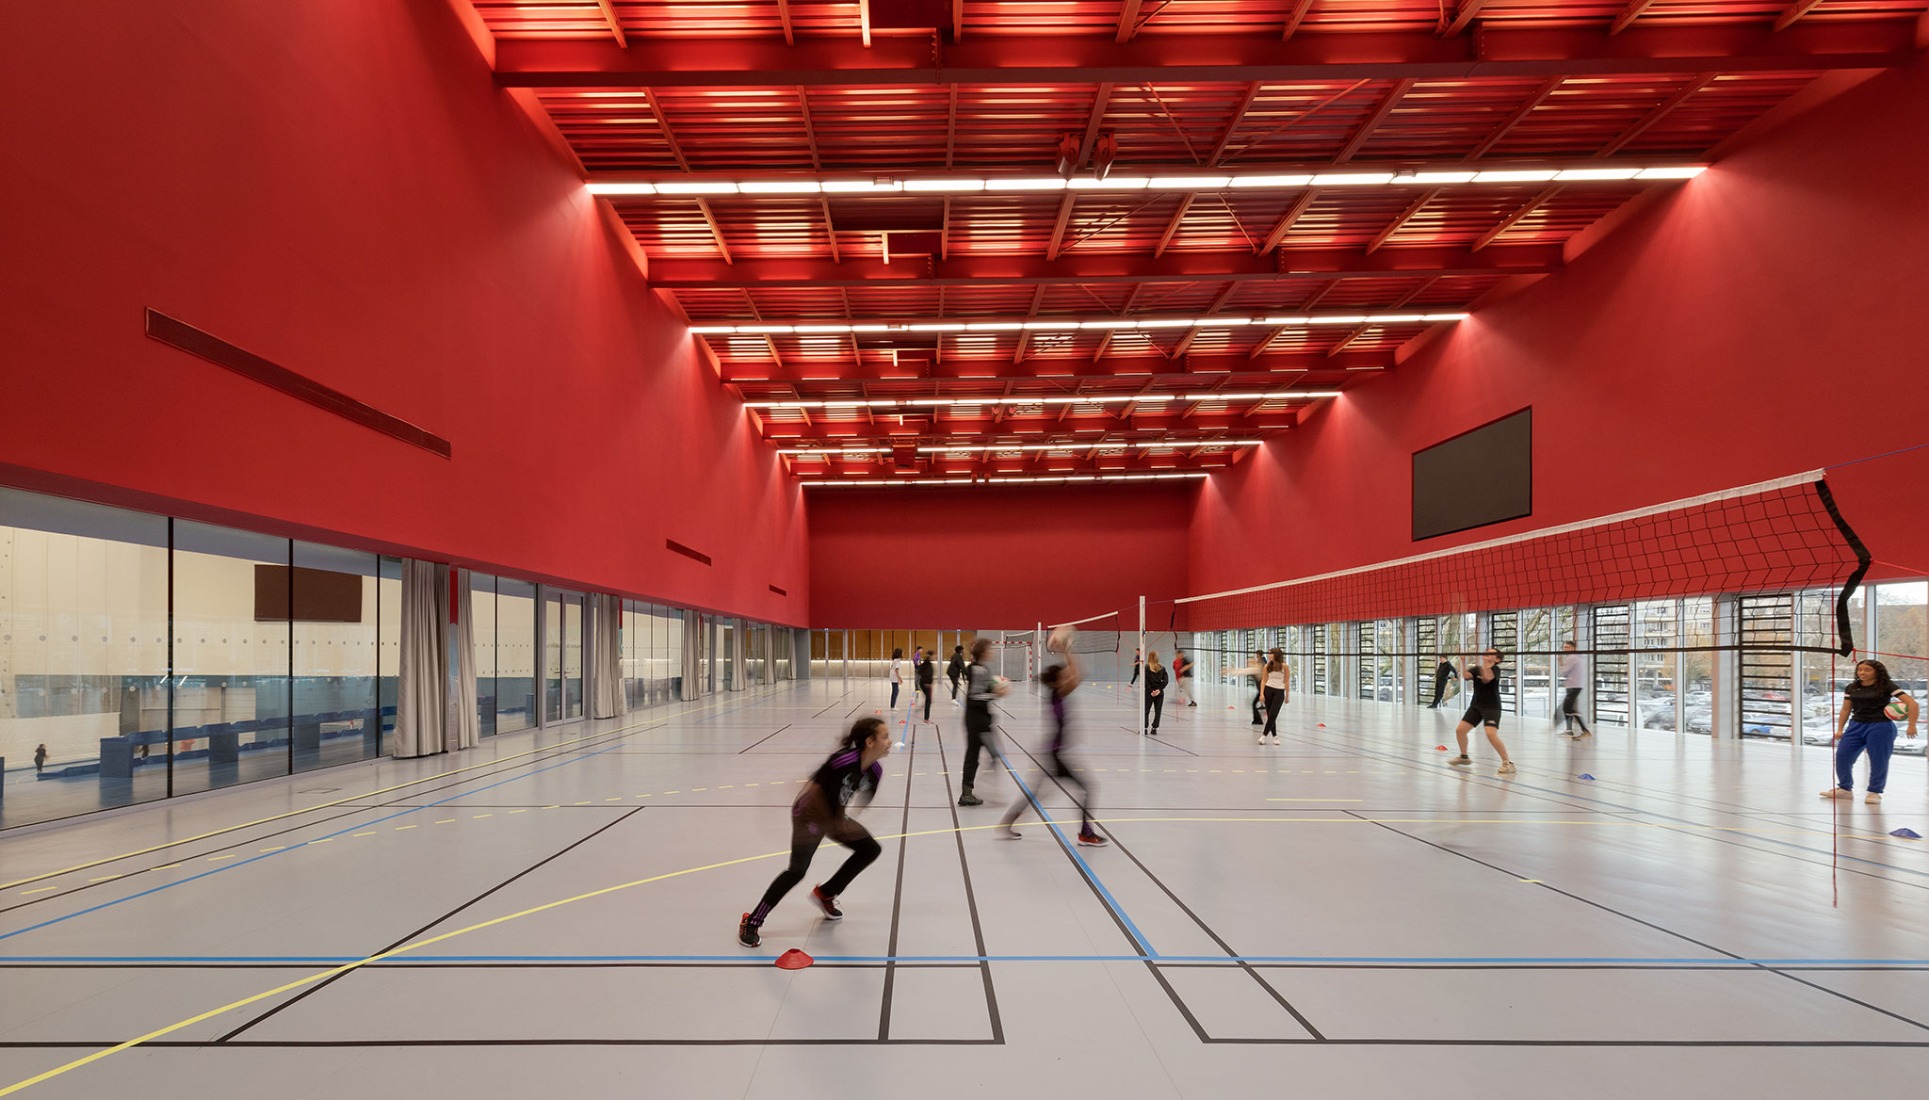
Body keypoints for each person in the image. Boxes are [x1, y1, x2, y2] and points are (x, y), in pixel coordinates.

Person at [739, 717, 891, 948]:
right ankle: (751, 922)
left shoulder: (876, 772)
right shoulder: (843, 760)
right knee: (797, 871)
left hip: (834, 816)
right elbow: (813, 787)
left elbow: (858, 799)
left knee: (870, 849)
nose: (889, 742)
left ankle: (826, 893)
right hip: (809, 814)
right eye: (884, 737)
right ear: (870, 741)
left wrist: (846, 822)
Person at [999, 637, 1106, 846]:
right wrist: (1067, 650)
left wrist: (1066, 653)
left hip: (1051, 752)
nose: (1068, 676)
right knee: (1087, 788)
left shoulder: (1057, 692)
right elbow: (1078, 674)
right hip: (1055, 754)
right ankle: (1085, 833)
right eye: (1064, 676)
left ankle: (1007, 824)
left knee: (1038, 793)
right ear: (1059, 681)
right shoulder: (1059, 692)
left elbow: (1074, 675)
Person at [1822, 659, 1918, 805]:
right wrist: (1840, 729)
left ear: (1877, 672)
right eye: (1860, 669)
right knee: (1842, 756)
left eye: (1867, 670)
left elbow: (1912, 703)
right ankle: (1845, 789)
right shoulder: (1852, 687)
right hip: (1856, 725)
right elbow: (1846, 709)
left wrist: (1912, 725)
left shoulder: (1886, 686)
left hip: (1880, 727)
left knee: (1878, 760)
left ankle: (1875, 792)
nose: (1862, 672)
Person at [1449, 647, 1515, 776]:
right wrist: (1463, 661)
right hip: (1476, 706)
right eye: (1486, 653)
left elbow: (1486, 679)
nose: (1486, 654)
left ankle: (1508, 763)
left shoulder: (1495, 670)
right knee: (1460, 730)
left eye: (1490, 653)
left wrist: (1486, 665)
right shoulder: (1477, 669)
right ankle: (1464, 757)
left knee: (1491, 734)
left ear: (1497, 659)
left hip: (1492, 707)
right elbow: (1466, 676)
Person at [957, 637, 1007, 806]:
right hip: (978, 721)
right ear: (984, 652)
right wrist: (995, 694)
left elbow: (978, 691)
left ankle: (967, 792)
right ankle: (986, 790)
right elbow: (974, 697)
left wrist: (994, 687)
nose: (992, 651)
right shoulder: (979, 670)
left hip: (975, 719)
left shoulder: (979, 668)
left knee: (973, 755)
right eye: (990, 648)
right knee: (993, 753)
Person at [1557, 641, 1593, 739]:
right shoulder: (1578, 657)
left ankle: (1584, 730)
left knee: (1567, 708)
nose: (1565, 649)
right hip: (1575, 686)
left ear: (1573, 647)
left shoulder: (1571, 658)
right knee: (1569, 708)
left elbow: (1564, 672)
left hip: (1573, 686)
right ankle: (1570, 731)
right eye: (1564, 647)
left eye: (1567, 647)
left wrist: (1560, 661)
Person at [1258, 648, 1289, 745]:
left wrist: (1287, 695)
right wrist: (1262, 693)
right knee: (1270, 714)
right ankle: (1275, 736)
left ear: (1276, 655)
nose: (1269, 655)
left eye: (1271, 654)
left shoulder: (1285, 667)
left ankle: (1264, 735)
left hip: (1279, 692)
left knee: (1273, 714)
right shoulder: (1267, 666)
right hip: (1268, 690)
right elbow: (1263, 680)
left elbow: (1287, 681)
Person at [1142, 651, 1168, 736]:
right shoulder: (1162, 668)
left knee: (1146, 710)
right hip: (1159, 693)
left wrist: (1151, 691)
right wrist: (1159, 690)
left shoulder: (1145, 668)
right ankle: (1154, 728)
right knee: (1158, 711)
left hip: (1149, 693)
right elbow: (1166, 681)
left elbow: (1144, 681)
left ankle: (1145, 728)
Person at [915, 643, 936, 721]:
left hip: (923, 683)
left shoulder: (925, 663)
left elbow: (920, 671)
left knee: (929, 700)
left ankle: (926, 717)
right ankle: (926, 718)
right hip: (926, 684)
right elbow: (927, 674)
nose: (935, 657)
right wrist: (928, 682)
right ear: (931, 656)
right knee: (928, 700)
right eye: (934, 655)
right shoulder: (928, 664)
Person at [1247, 650, 1266, 726]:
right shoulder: (1259, 664)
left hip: (1263, 689)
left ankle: (1258, 720)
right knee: (1255, 703)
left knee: (1254, 703)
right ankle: (1258, 720)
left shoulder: (1260, 664)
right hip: (1261, 689)